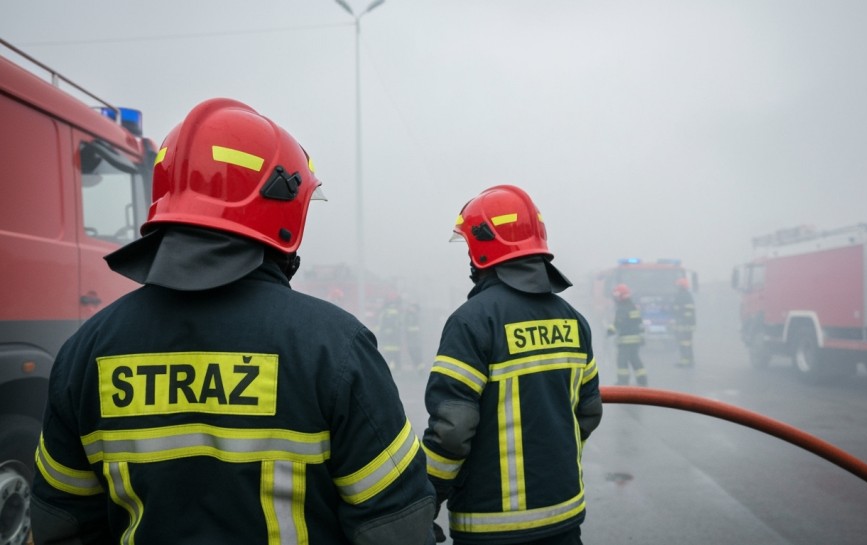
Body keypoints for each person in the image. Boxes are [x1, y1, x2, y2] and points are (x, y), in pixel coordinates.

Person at [31, 98, 436, 544]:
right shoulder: (334, 348)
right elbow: (398, 526)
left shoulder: (85, 352)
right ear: (285, 206)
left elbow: (60, 523)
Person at [422, 185, 603, 545]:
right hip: (565, 517)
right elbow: (589, 412)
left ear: (480, 249)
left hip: (491, 525)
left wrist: (426, 502)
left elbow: (452, 431)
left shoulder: (472, 322)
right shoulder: (574, 321)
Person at [608, 283, 647, 386]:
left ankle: (622, 383)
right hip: (635, 341)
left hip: (625, 341)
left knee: (622, 363)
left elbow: (619, 323)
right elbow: (639, 322)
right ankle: (642, 382)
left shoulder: (622, 308)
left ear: (621, 295)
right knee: (635, 361)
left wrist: (610, 330)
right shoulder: (633, 306)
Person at [375, 292, 405, 370]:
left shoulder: (384, 312)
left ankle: (389, 368)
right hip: (395, 338)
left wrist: (381, 333)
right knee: (395, 355)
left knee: (388, 355)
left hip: (388, 338)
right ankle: (396, 369)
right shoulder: (397, 312)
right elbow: (400, 324)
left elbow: (380, 325)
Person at [672, 276, 697, 367]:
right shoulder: (687, 295)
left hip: (683, 324)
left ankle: (685, 360)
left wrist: (676, 311)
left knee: (684, 343)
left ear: (681, 286)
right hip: (687, 324)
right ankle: (689, 359)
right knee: (687, 343)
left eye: (678, 286)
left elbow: (678, 308)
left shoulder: (682, 295)